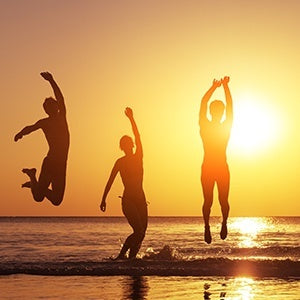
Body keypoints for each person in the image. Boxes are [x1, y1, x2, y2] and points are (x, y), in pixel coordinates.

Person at [14, 72, 69, 206]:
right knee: (38, 197)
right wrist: (21, 133)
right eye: (48, 107)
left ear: (57, 107)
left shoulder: (62, 118)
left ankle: (35, 184)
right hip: (50, 162)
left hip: (61, 164)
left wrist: (51, 80)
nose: (52, 108)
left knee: (57, 200)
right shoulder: (45, 122)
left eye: (54, 105)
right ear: (46, 110)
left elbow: (60, 98)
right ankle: (33, 177)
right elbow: (31, 127)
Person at [100, 107, 148, 259]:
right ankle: (121, 256)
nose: (127, 146)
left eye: (129, 143)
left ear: (132, 145)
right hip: (128, 201)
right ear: (122, 147)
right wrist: (103, 198)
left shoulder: (138, 156)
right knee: (139, 231)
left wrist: (131, 118)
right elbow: (110, 180)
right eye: (124, 144)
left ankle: (131, 259)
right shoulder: (120, 162)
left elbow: (138, 135)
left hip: (141, 199)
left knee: (142, 233)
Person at [199, 76, 233, 244]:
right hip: (207, 167)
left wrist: (226, 87)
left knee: (223, 200)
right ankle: (206, 226)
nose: (218, 113)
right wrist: (213, 88)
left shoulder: (226, 126)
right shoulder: (204, 125)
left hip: (222, 167)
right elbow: (203, 103)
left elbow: (231, 108)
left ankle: (224, 222)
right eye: (216, 110)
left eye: (221, 111)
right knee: (208, 201)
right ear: (212, 112)